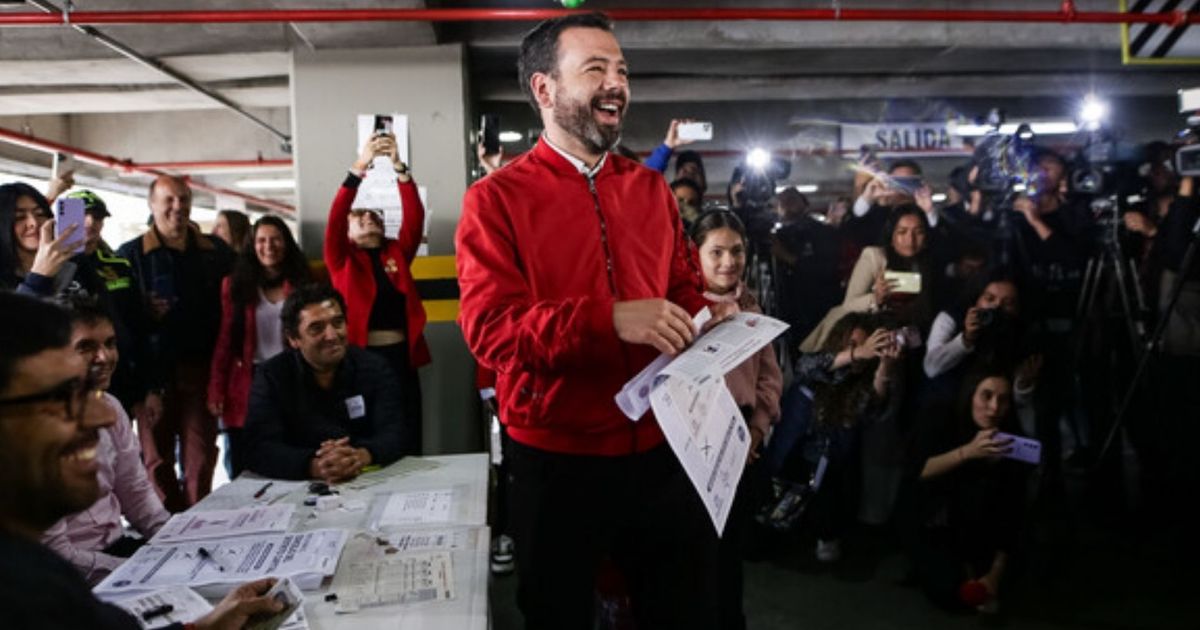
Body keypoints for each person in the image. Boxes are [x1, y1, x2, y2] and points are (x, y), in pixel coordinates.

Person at [456, 13, 733, 629]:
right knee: (559, 615)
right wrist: (608, 320)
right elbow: (490, 330)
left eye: (622, 71)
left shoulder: (650, 190)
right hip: (557, 462)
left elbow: (682, 289)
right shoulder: (496, 200)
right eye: (596, 70)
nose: (617, 84)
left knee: (679, 609)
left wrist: (711, 316)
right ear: (544, 89)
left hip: (660, 449)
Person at [0, 292, 284, 629]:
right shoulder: (31, 596)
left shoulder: (41, 577)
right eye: (64, 397)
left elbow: (140, 500)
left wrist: (206, 625)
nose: (103, 416)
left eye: (110, 344)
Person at [117, 175, 236, 511]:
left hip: (201, 372)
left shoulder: (216, 253)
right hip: (152, 377)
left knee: (201, 457)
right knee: (156, 460)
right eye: (168, 200)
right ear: (152, 205)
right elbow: (117, 318)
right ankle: (165, 526)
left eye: (183, 199)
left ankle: (197, 521)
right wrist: (143, 310)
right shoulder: (131, 256)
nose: (177, 207)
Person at [691, 211, 781, 630]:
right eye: (717, 252)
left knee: (730, 559)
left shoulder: (751, 307)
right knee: (694, 560)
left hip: (744, 448)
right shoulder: (680, 309)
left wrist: (757, 430)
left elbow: (769, 377)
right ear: (696, 255)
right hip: (693, 454)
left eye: (737, 251)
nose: (729, 261)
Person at [41, 295, 170, 585]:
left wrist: (174, 541)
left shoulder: (110, 405)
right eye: (86, 347)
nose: (105, 357)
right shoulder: (33, 431)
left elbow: (135, 492)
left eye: (110, 344)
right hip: (61, 577)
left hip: (116, 550)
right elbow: (55, 553)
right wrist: (137, 571)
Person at [324, 132, 429, 456]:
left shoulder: (396, 253)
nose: (369, 217)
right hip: (361, 361)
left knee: (408, 427)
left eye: (375, 216)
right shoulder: (341, 259)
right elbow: (337, 214)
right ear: (348, 230)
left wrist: (398, 166)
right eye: (360, 217)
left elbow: (414, 217)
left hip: (401, 360)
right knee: (367, 431)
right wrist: (360, 166)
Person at [243, 284, 411, 482]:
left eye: (338, 323)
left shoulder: (374, 367)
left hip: (366, 478)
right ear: (293, 339)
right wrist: (315, 466)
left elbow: (396, 432)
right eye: (316, 328)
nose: (332, 335)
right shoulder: (272, 376)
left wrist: (360, 457)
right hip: (299, 486)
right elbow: (258, 447)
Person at [769, 312, 902, 561]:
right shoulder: (822, 365)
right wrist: (856, 353)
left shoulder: (862, 384)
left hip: (828, 471)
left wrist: (884, 366)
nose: (861, 352)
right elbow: (805, 367)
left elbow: (873, 406)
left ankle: (824, 533)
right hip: (789, 458)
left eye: (866, 346)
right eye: (852, 343)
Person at [904, 369, 1031, 614]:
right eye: (986, 396)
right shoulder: (940, 417)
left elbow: (1015, 510)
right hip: (935, 518)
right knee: (949, 593)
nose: (994, 407)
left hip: (984, 524)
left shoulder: (1009, 437)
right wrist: (968, 452)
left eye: (1003, 399)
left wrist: (995, 574)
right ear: (971, 395)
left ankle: (983, 572)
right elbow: (917, 471)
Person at [208, 216, 312, 477]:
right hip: (248, 378)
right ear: (252, 245)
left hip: (292, 375)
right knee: (244, 458)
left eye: (276, 239)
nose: (269, 246)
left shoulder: (303, 282)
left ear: (286, 243)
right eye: (262, 240)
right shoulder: (234, 284)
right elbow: (224, 340)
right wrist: (216, 389)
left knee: (289, 447)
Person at [801, 204, 935, 352]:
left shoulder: (928, 264)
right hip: (853, 339)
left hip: (902, 342)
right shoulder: (874, 256)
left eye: (918, 232)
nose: (910, 240)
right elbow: (849, 304)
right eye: (902, 232)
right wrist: (876, 298)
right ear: (891, 235)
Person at [0, 182, 81, 295]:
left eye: (40, 214)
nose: (34, 223)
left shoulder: (76, 263)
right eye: (19, 217)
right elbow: (14, 313)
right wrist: (39, 276)